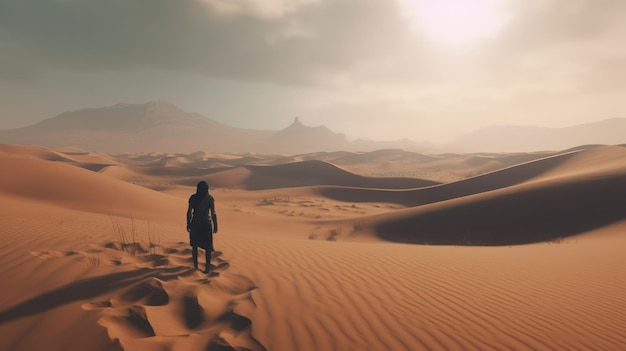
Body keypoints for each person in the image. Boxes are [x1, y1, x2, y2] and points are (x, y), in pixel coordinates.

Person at [186, 181, 218, 272]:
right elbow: (213, 213)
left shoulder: (193, 198)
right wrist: (215, 225)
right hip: (206, 224)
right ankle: (207, 268)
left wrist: (188, 223)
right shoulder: (209, 198)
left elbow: (189, 212)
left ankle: (195, 267)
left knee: (194, 246)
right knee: (208, 247)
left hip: (195, 223)